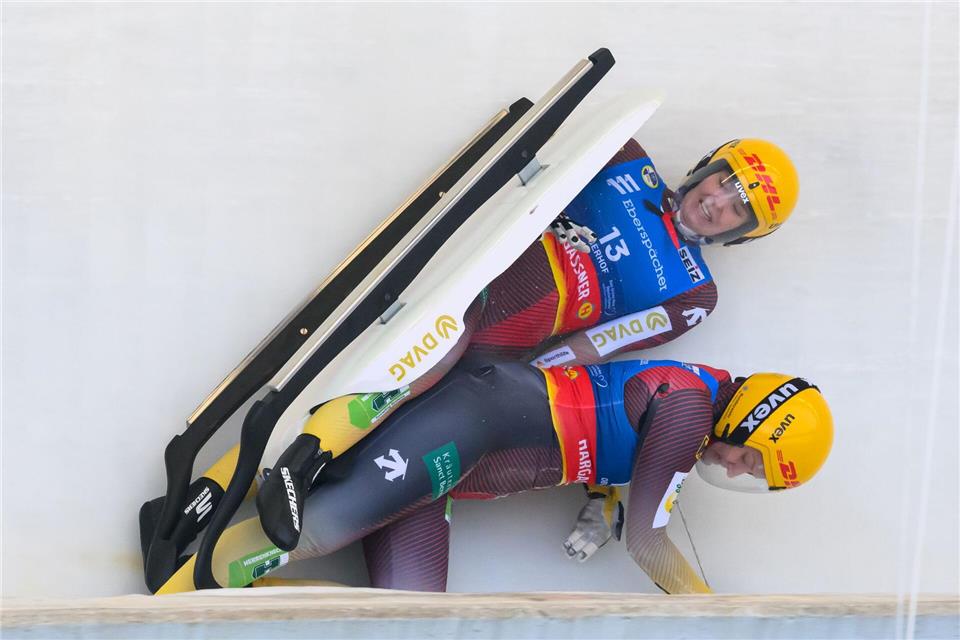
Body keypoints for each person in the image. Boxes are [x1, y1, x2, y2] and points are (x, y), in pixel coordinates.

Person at [163, 137, 801, 558]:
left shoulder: (695, 292)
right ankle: (253, 478)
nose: (718, 202)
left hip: (508, 348)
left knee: (432, 431)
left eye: (739, 209)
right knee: (426, 359)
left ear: (741, 235)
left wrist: (524, 385)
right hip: (473, 288)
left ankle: (281, 500)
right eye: (724, 181)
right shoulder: (628, 161)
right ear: (708, 166)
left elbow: (599, 344)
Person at [156, 357, 832, 595]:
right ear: (752, 418)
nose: (737, 468)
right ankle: (176, 592)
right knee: (318, 531)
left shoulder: (694, 404)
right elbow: (649, 542)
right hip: (470, 422)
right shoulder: (689, 411)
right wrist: (709, 610)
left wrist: (602, 501)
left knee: (410, 619)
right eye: (752, 458)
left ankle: (192, 548)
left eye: (753, 474)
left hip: (453, 472)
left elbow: (618, 442)